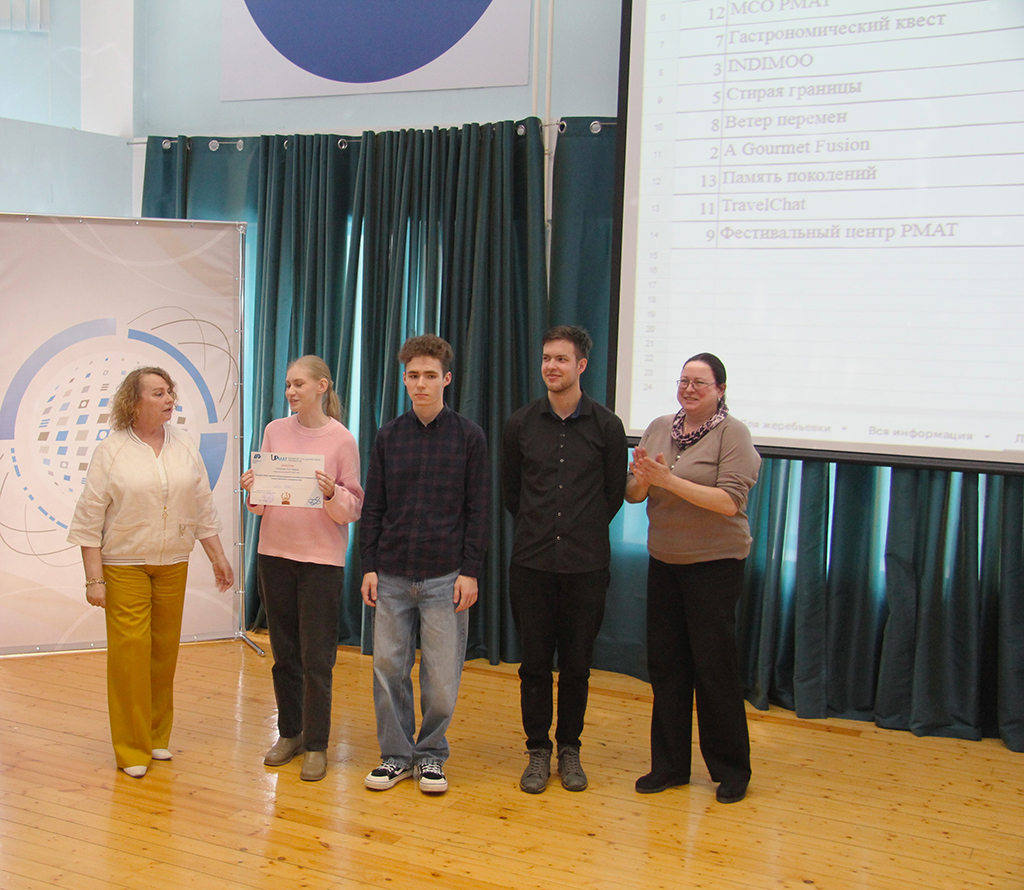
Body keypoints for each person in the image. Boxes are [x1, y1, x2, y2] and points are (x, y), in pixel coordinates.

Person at [67, 366, 234, 779]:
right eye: (158, 393)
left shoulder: (184, 445)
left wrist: (218, 557)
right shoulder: (112, 451)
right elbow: (89, 519)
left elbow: (202, 506)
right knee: (130, 657)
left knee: (163, 654)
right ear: (133, 401)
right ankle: (131, 747)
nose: (168, 399)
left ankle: (157, 736)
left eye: (169, 392)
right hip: (123, 566)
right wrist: (94, 579)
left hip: (173, 563)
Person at [626, 352, 760, 804]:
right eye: (684, 380)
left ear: (720, 390)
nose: (689, 388)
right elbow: (634, 493)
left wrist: (667, 480)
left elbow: (729, 502)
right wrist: (644, 479)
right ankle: (669, 766)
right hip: (665, 560)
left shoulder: (733, 433)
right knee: (666, 666)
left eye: (700, 382)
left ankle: (731, 770)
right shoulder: (660, 426)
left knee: (714, 668)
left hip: (715, 564)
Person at [360, 334, 489, 795]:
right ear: (403, 379)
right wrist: (369, 566)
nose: (421, 384)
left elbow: (478, 510)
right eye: (413, 375)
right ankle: (396, 756)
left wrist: (470, 571)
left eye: (430, 375)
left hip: (445, 577)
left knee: (441, 678)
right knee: (388, 670)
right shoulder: (388, 437)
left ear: (446, 379)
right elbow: (373, 507)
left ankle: (431, 755)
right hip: (392, 574)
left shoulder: (469, 437)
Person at [502, 325, 627, 793]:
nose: (551, 366)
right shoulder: (520, 424)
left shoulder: (608, 427)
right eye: (546, 358)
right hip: (531, 563)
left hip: (586, 566)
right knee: (534, 665)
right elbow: (512, 494)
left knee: (576, 666)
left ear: (582, 365)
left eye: (561, 358)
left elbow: (612, 495)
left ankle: (569, 748)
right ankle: (538, 751)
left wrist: (579, 530)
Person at [239, 356, 364, 782]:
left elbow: (353, 508)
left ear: (321, 386)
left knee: (316, 658)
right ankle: (289, 733)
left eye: (298, 384)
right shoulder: (275, 430)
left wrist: (332, 494)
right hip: (275, 555)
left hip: (321, 563)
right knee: (284, 654)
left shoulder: (342, 440)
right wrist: (253, 488)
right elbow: (261, 505)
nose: (290, 392)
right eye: (287, 385)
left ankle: (316, 745)